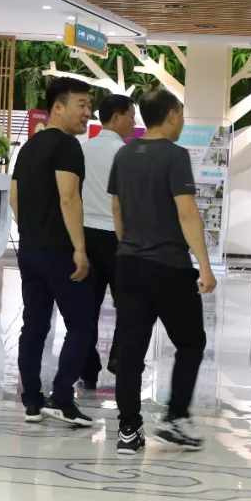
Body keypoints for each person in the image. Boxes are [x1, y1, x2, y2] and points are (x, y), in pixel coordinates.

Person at [109, 88, 217, 455]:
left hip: (128, 264)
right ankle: (175, 418)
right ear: (170, 116)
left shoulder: (124, 154)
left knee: (131, 349)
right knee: (191, 342)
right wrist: (205, 267)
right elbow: (187, 213)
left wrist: (128, 247)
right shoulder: (175, 155)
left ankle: (128, 430)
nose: (182, 121)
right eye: (181, 114)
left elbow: (117, 208)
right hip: (169, 267)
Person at [9, 77, 95, 427]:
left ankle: (32, 400)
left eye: (89, 105)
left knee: (34, 326)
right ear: (57, 107)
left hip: (30, 250)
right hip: (59, 251)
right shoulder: (67, 146)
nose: (87, 112)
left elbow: (14, 199)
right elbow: (69, 197)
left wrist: (32, 231)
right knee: (81, 325)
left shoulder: (29, 147)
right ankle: (61, 397)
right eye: (81, 104)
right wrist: (80, 248)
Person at [79, 94, 136, 389]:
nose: (134, 123)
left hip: (86, 235)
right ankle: (118, 358)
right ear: (116, 118)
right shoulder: (125, 154)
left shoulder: (82, 149)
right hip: (117, 237)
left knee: (87, 307)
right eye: (131, 117)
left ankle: (88, 369)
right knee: (128, 303)